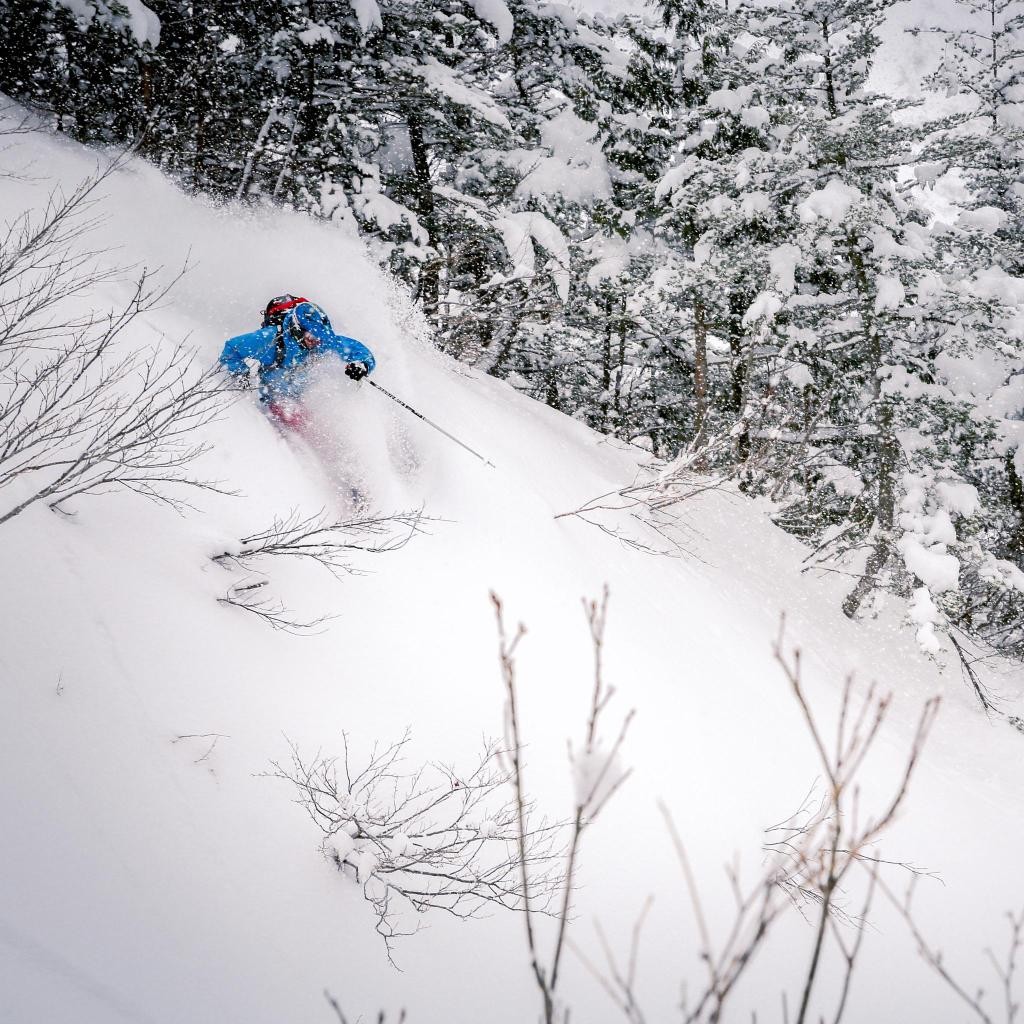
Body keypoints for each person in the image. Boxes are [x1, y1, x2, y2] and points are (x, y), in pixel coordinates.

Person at [219, 294, 376, 428]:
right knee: (292, 420)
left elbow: (360, 351)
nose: (317, 343)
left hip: (300, 394)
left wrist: (362, 365)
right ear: (297, 330)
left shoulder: (324, 340)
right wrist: (241, 376)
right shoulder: (270, 339)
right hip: (274, 394)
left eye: (321, 337)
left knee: (314, 423)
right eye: (312, 338)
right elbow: (232, 348)